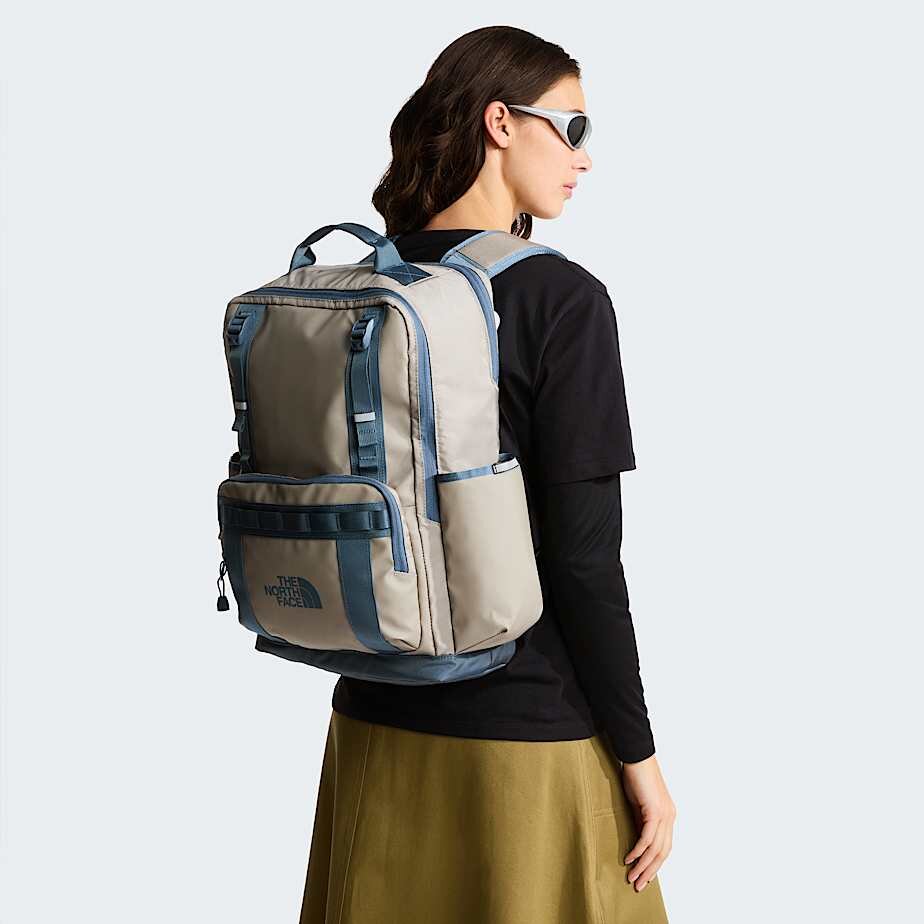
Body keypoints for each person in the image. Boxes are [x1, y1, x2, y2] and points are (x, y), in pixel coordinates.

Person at [299, 25, 676, 924]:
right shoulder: (560, 299)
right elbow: (584, 562)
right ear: (501, 122)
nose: (585, 158)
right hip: (527, 741)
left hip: (374, 727)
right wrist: (641, 760)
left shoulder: (361, 294)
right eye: (573, 127)